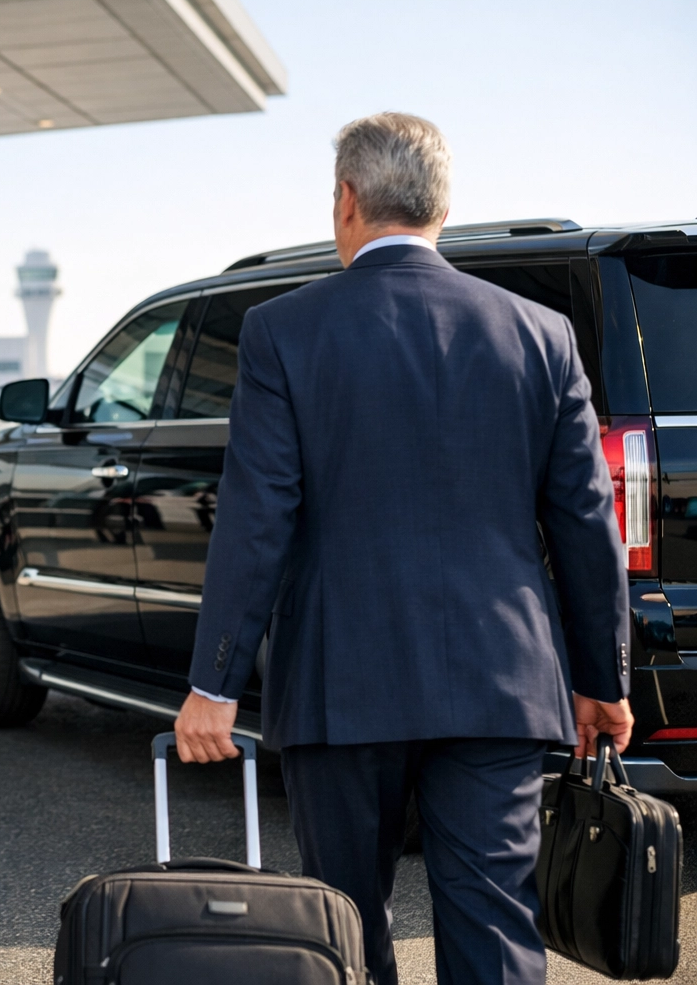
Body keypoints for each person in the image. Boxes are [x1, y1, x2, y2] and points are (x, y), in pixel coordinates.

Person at [171, 112, 634, 985]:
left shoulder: (283, 332)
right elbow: (585, 521)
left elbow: (257, 516)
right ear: (441, 211)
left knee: (340, 926)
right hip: (498, 685)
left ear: (345, 200)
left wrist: (213, 685)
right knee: (495, 928)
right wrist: (601, 682)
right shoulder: (540, 334)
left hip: (340, 686)